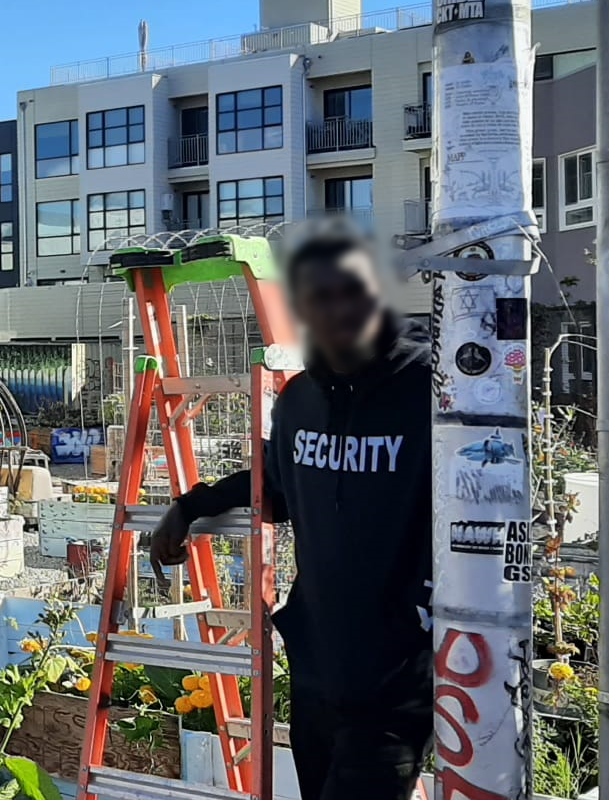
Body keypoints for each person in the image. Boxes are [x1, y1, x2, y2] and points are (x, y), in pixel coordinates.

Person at [150, 231, 434, 800]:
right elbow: (275, 483)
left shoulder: (431, 392)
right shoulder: (301, 399)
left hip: (396, 680)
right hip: (316, 668)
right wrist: (190, 505)